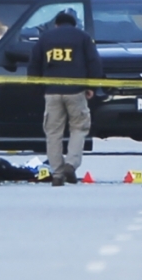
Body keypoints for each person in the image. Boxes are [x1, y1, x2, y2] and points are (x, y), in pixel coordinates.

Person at [27, 11, 102, 187]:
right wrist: (91, 86)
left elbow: (34, 64)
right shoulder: (83, 37)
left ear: (56, 24)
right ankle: (71, 164)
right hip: (76, 91)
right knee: (79, 128)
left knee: (53, 133)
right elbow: (94, 61)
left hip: (52, 92)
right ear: (74, 24)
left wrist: (37, 88)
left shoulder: (45, 38)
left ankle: (58, 173)